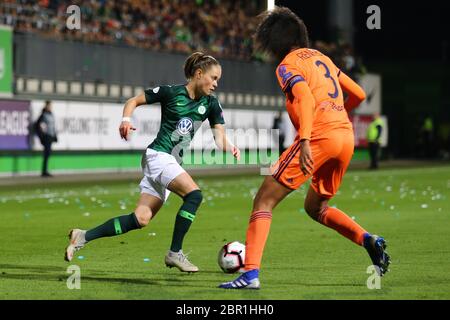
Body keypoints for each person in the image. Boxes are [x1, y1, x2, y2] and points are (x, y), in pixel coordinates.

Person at [219, 7, 390, 289]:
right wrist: (339, 114)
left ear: (274, 42)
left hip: (319, 138)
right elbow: (358, 94)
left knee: (264, 200)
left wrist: (307, 140)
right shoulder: (323, 59)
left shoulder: (287, 65)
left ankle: (250, 274)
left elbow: (305, 100)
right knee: (316, 206)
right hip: (344, 137)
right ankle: (367, 239)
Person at [65, 52, 240, 272]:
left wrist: (230, 146)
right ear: (198, 74)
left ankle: (82, 236)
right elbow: (133, 101)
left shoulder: (211, 104)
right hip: (158, 156)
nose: (216, 84)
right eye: (213, 78)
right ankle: (174, 253)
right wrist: (126, 120)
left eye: (218, 80)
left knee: (141, 219)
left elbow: (220, 137)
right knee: (194, 195)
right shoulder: (171, 92)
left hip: (169, 162)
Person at [35, 100, 58, 177]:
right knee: (46, 154)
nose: (50, 107)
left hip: (51, 136)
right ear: (46, 106)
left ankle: (45, 170)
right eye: (49, 106)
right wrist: (42, 136)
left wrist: (55, 136)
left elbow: (53, 126)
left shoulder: (51, 115)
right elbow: (38, 126)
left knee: (48, 154)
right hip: (47, 137)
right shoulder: (43, 115)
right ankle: (44, 171)